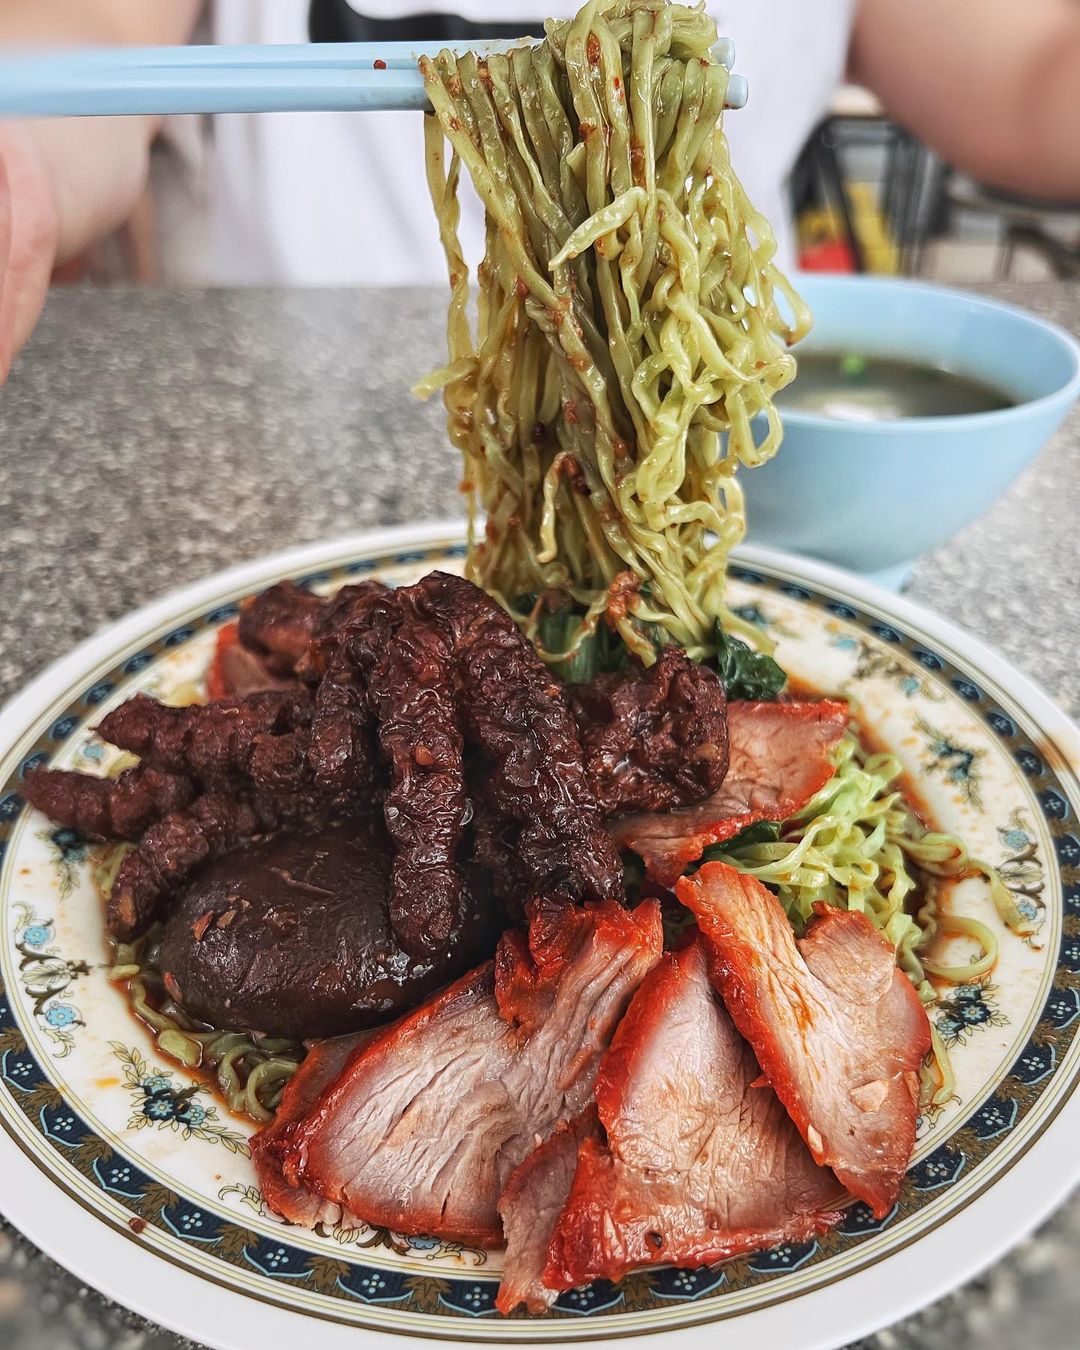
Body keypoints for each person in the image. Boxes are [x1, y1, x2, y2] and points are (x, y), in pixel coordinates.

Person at [2, 0, 1080, 383]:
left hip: (741, 474)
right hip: (251, 464)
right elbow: (76, 52)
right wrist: (22, 169)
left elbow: (1035, 80)